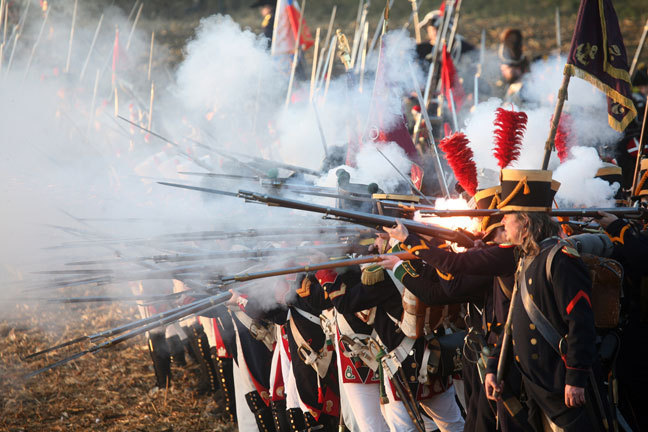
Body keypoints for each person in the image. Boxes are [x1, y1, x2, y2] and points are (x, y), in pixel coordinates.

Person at [483, 169, 609, 431]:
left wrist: (575, 377)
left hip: (561, 384)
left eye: (508, 217)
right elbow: (511, 325)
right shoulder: (526, 259)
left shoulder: (560, 259)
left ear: (525, 222)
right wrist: (494, 367)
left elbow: (580, 322)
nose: (503, 223)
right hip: (536, 385)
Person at [496, 28, 529, 105]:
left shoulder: (522, 58)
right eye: (510, 40)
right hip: (505, 91)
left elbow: (528, 73)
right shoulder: (500, 58)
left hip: (521, 89)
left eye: (514, 40)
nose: (512, 42)